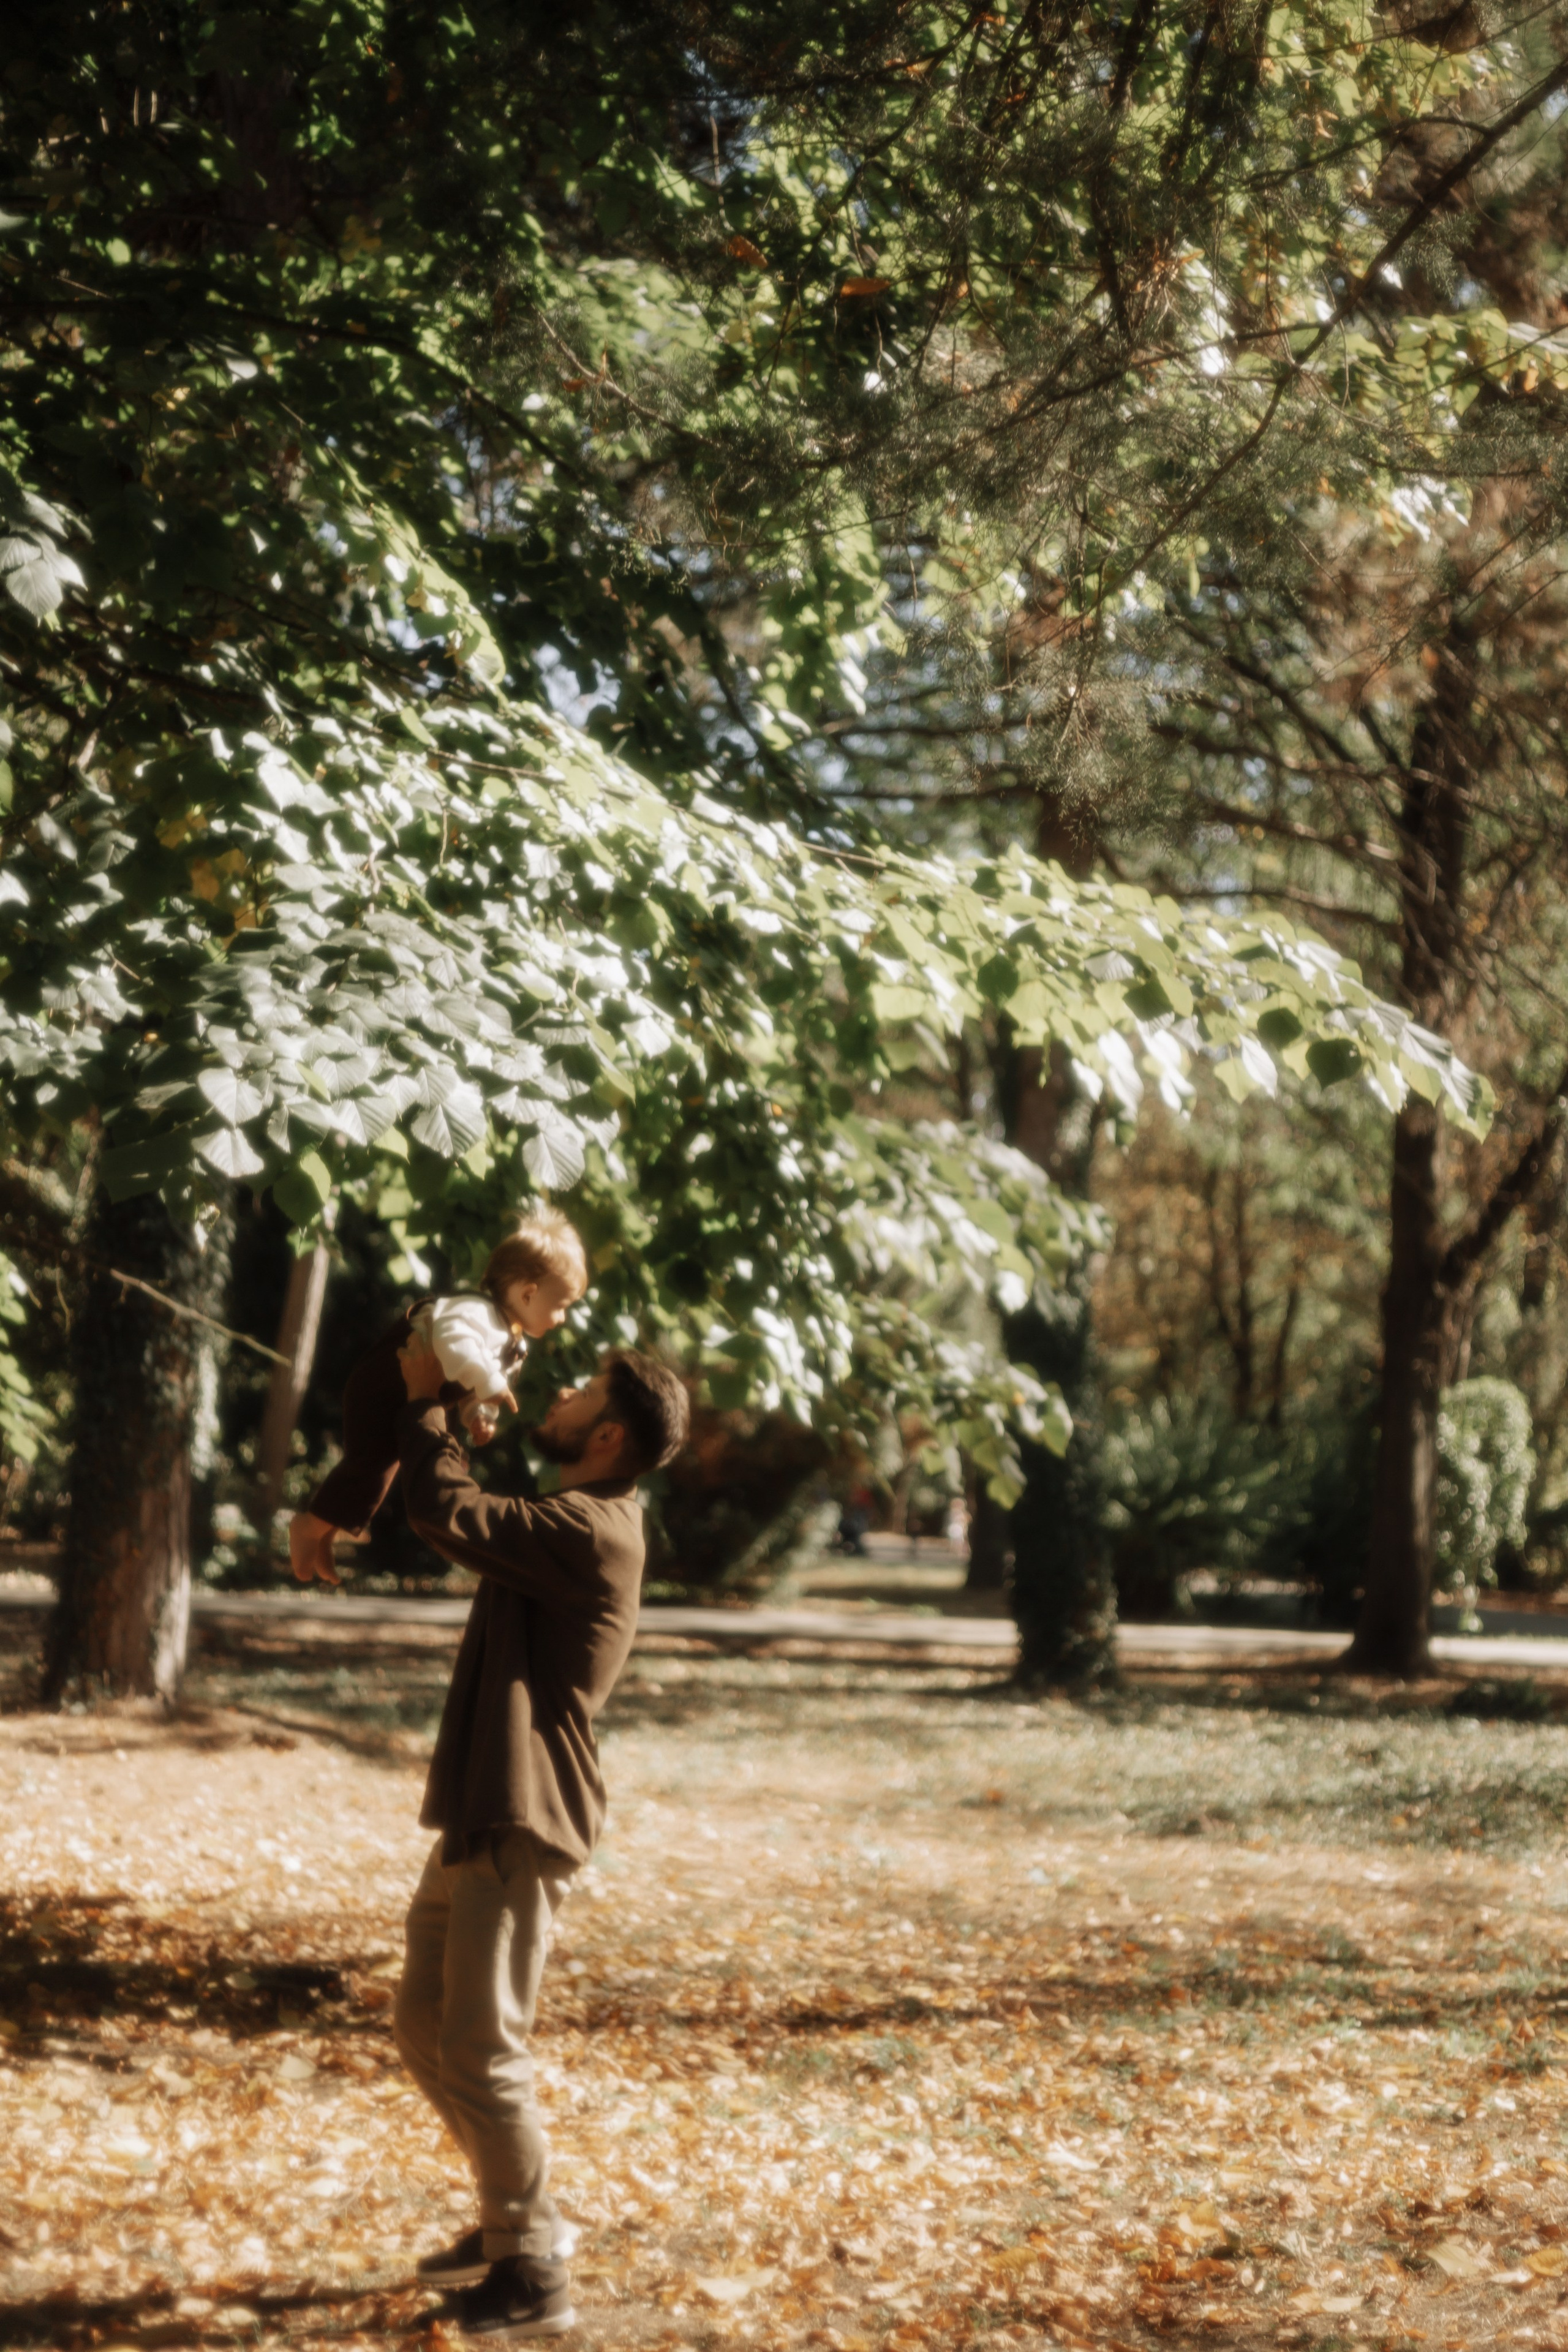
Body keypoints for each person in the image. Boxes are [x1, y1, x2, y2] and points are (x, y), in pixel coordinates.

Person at [391, 1335, 690, 2342]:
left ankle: (532, 2268)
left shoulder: (591, 1529)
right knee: (425, 2018)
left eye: (575, 1393)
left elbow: (446, 1511)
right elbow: (475, 1515)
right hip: (489, 1800)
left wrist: (430, 1405)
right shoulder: (571, 1518)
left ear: (605, 1433)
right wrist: (456, 1426)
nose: (553, 1400)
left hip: (529, 1810)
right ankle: (509, 2227)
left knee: (480, 2045)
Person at [288, 1208, 588, 1588]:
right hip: (382, 1385)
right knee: (371, 1467)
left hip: (407, 1396)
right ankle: (309, 1526)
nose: (562, 1319)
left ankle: (325, 1532)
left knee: (377, 1470)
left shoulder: (511, 1341)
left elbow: (468, 1386)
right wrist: (489, 1380)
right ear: (529, 1293)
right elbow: (453, 1343)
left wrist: (479, 1413)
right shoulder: (475, 1312)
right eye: (561, 1307)